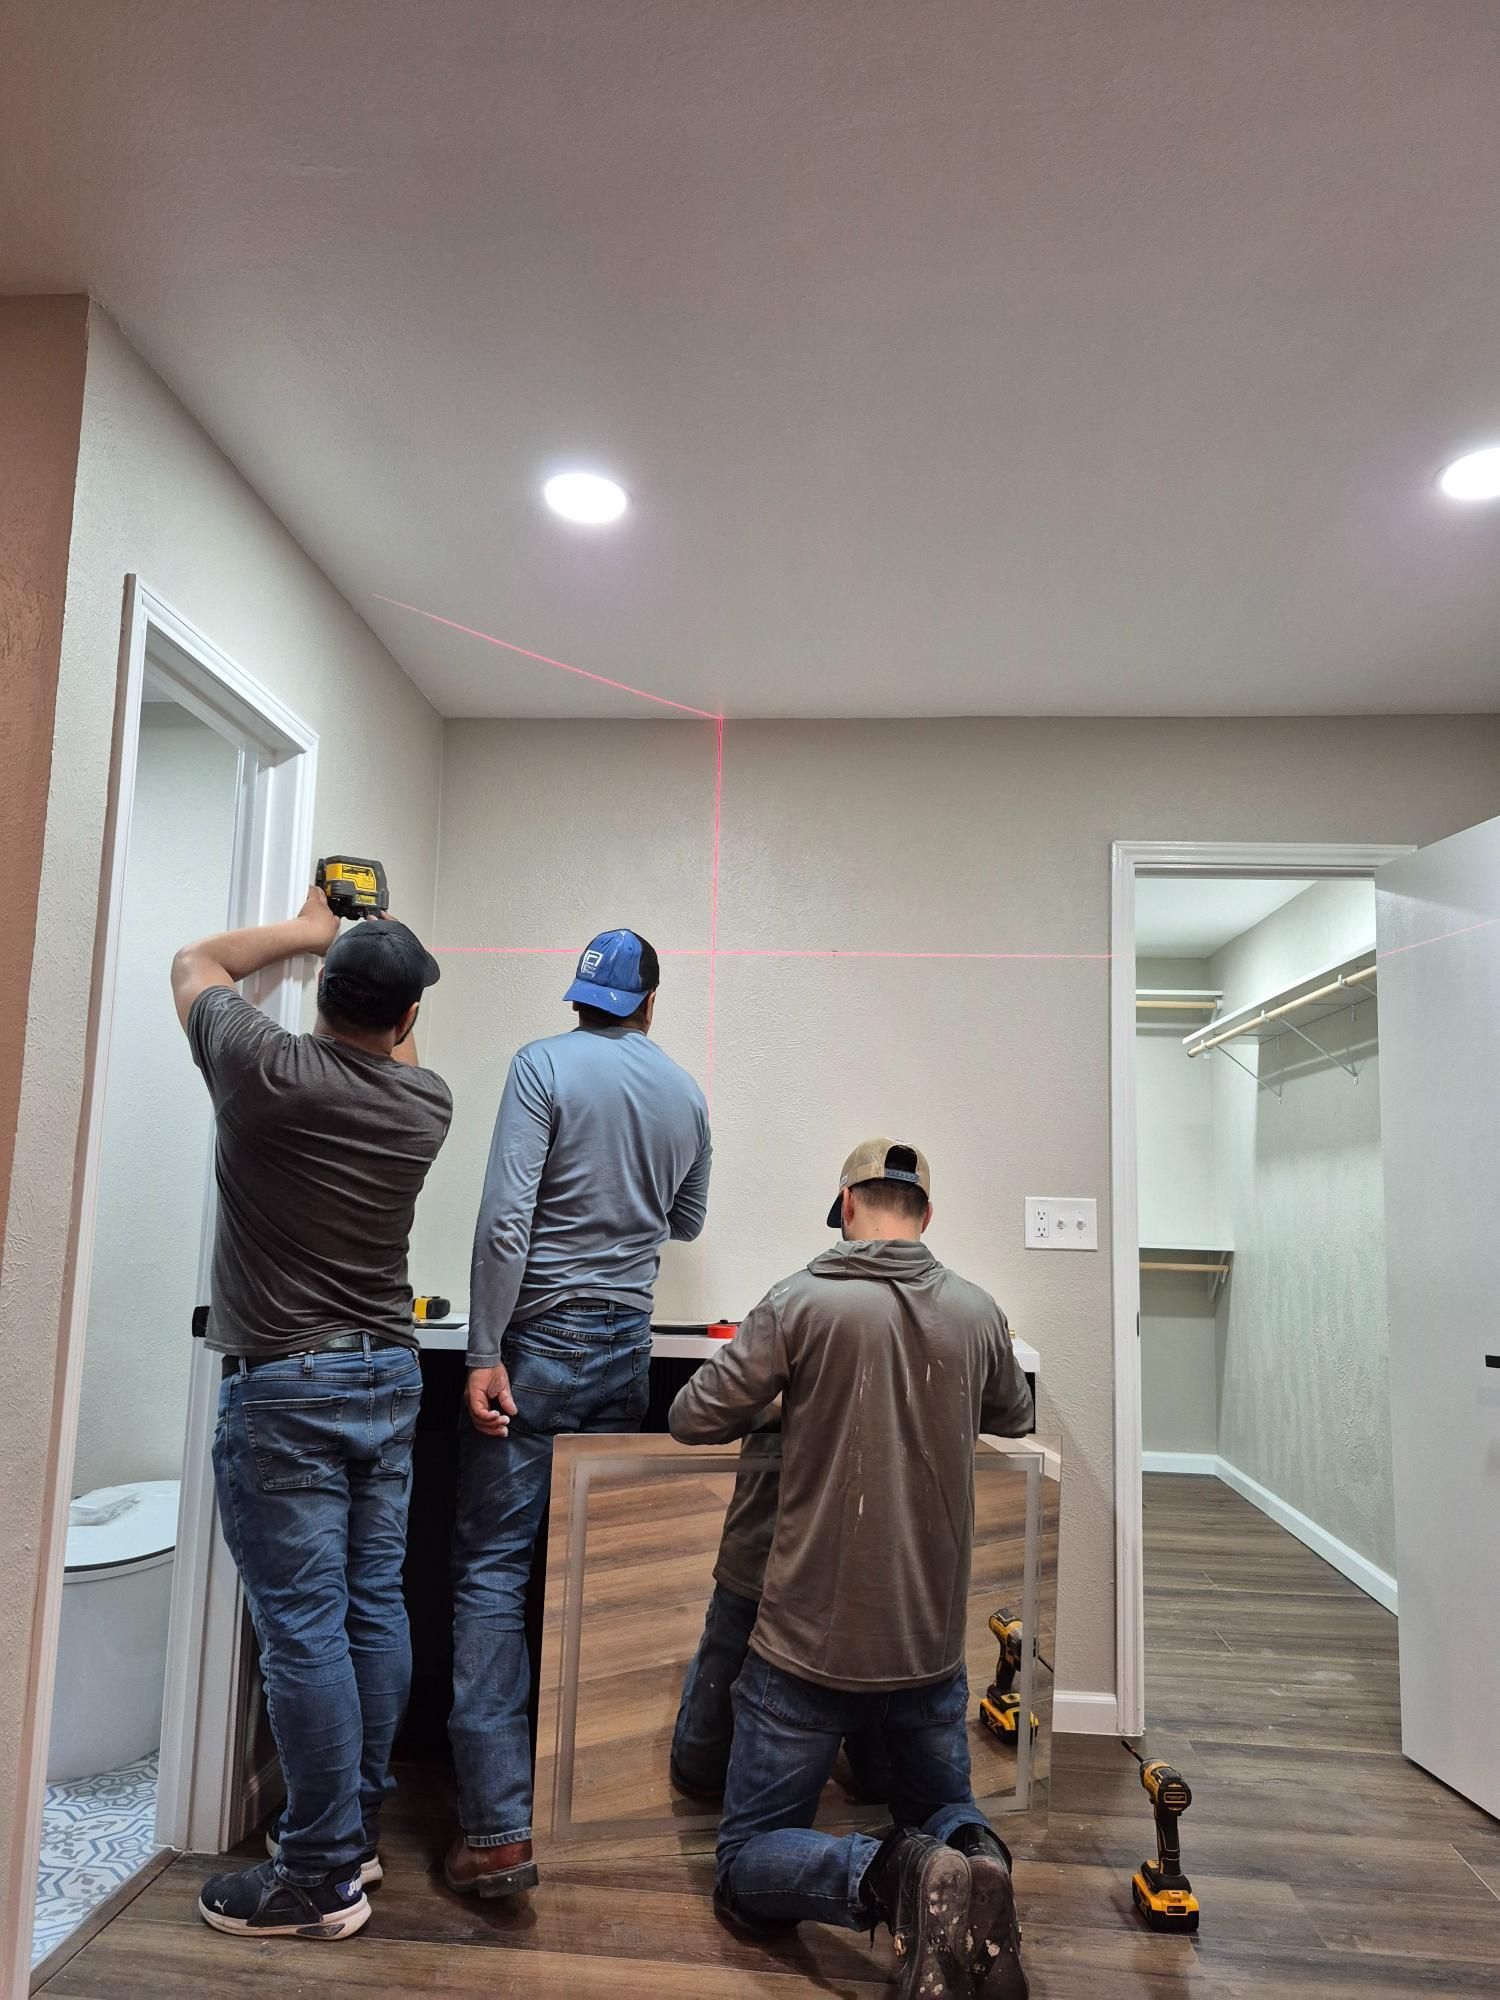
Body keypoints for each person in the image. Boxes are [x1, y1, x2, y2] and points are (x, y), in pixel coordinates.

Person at [669, 1139, 1033, 2000]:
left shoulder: (800, 1302)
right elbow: (1014, 1415)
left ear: (844, 1203)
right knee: (950, 1809)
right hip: (929, 1654)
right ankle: (977, 1865)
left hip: (806, 1653)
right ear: (927, 1216)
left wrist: (787, 1394)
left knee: (745, 1859)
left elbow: (692, 1416)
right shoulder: (979, 1312)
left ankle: (893, 1876)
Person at [173, 888, 451, 1942]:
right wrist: (375, 970)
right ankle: (354, 1831)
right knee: (371, 1607)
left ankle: (321, 1870)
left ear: (322, 998)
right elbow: (400, 1042)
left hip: (286, 1383)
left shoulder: (261, 1066)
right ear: (401, 1021)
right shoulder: (426, 1101)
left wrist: (310, 929)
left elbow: (194, 957)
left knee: (305, 1629)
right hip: (386, 1374)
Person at [445, 927, 712, 1898]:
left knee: (490, 1573)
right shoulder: (685, 1090)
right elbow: (685, 1219)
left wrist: (482, 1351)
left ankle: (498, 1831)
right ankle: (596, 1794)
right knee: (594, 1578)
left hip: (540, 1347)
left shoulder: (540, 1064)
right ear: (649, 1001)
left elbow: (506, 1218)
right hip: (625, 1352)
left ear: (580, 997)